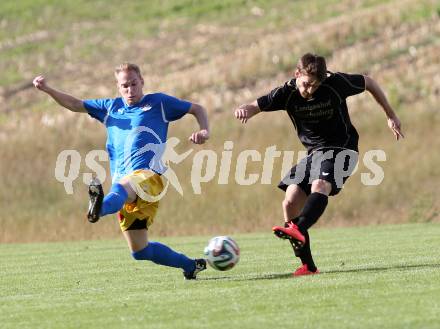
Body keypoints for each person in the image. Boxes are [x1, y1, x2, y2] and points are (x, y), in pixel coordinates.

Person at [33, 63, 210, 279]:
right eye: (124, 86)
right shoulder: (110, 108)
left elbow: (197, 108)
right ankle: (190, 265)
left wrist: (204, 130)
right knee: (140, 251)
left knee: (119, 188)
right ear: (118, 87)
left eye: (134, 84)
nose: (130, 90)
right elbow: (75, 104)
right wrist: (48, 90)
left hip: (149, 176)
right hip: (125, 188)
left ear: (142, 81)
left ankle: (99, 208)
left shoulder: (159, 103)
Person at [234, 53, 404, 276]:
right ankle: (308, 266)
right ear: (297, 74)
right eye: (306, 84)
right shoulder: (286, 93)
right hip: (314, 154)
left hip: (342, 148)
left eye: (315, 86)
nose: (310, 90)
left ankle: (299, 229)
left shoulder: (335, 83)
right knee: (290, 202)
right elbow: (256, 105)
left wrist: (390, 115)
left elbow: (368, 82)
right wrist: (245, 109)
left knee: (320, 185)